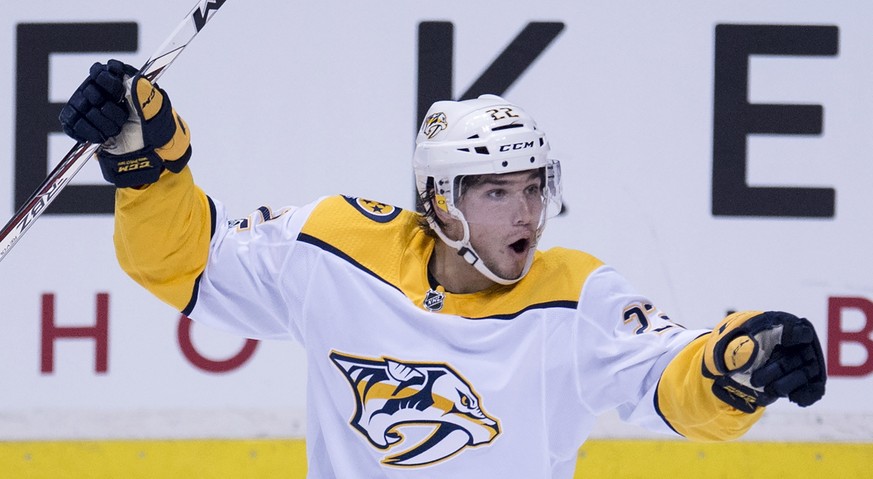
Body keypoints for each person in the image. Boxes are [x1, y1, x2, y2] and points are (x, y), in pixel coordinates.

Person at [59, 60, 826, 477]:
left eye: (532, 188)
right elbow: (184, 262)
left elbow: (670, 377)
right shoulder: (336, 247)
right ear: (437, 198)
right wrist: (145, 165)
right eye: (496, 191)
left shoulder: (573, 296)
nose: (524, 212)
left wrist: (736, 364)